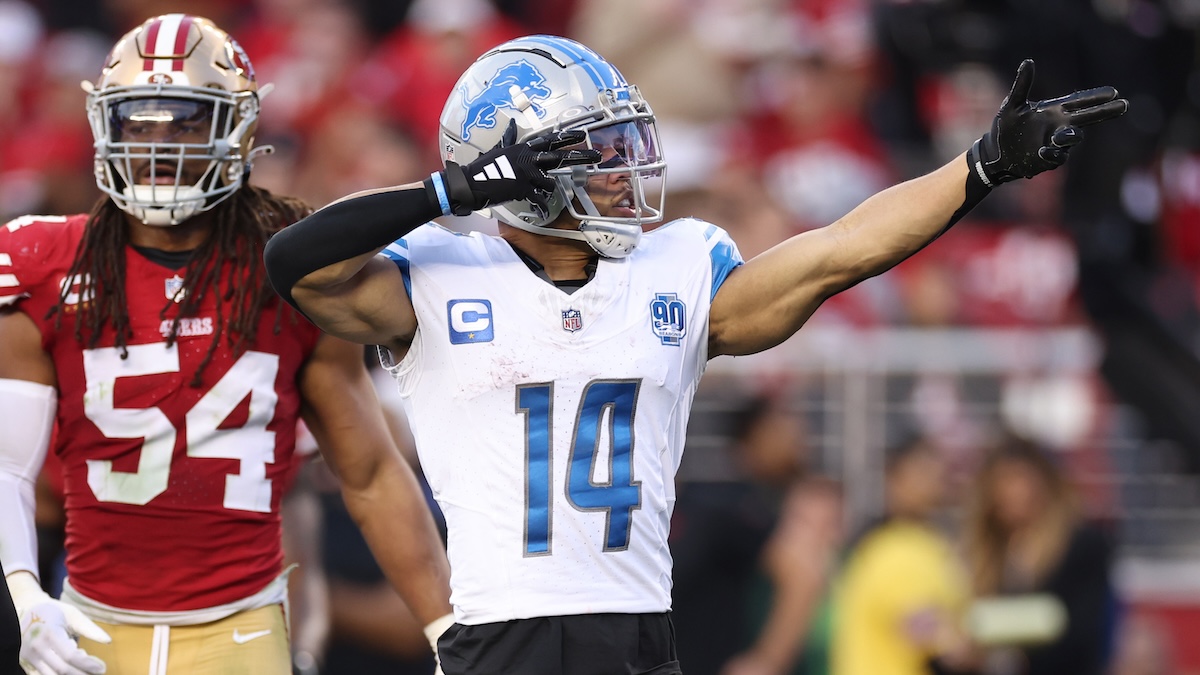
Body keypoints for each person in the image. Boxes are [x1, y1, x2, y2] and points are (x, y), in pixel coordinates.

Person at [262, 34, 1128, 674]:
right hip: (500, 637)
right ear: (513, 173)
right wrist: (452, 190)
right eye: (596, 153)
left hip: (641, 632)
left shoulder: (675, 265)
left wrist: (978, 168)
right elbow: (294, 264)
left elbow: (841, 250)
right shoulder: (439, 277)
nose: (623, 170)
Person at [0, 14, 452, 675]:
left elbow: (370, 473)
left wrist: (447, 631)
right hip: (89, 621)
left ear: (237, 130)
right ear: (104, 125)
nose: (159, 145)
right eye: (137, 122)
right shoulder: (43, 261)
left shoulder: (292, 268)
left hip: (239, 628)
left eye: (185, 121)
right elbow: (7, 468)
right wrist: (24, 596)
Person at [962, 438, 1116, 675]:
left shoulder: (1081, 546)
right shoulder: (986, 556)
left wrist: (1012, 654)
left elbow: (1082, 635)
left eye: (1020, 479)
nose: (1013, 491)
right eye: (1004, 480)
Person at [832, 437, 972, 675]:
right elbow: (923, 627)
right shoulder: (897, 547)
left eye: (938, 473)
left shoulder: (921, 542)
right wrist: (966, 648)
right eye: (922, 473)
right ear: (893, 478)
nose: (933, 483)